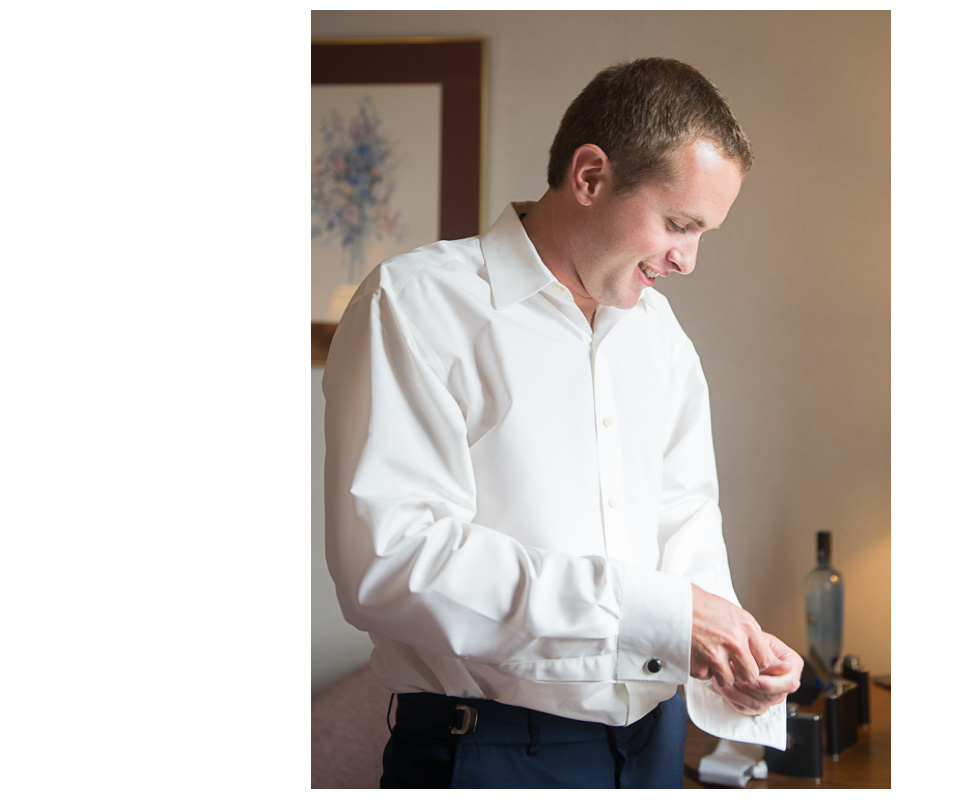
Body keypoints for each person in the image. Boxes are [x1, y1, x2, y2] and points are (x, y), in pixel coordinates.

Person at [323, 56, 803, 789]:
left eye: (704, 232)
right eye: (679, 224)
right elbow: (392, 562)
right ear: (589, 176)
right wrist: (657, 614)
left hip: (653, 749)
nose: (688, 259)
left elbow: (685, 524)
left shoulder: (660, 337)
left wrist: (730, 656)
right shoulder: (416, 304)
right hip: (488, 754)